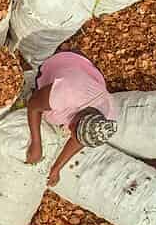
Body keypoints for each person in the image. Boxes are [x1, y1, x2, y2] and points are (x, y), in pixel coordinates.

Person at [25, 51, 119, 186]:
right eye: (73, 128)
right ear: (82, 115)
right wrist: (36, 143)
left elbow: (80, 140)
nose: (70, 129)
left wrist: (57, 168)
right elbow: (34, 105)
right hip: (64, 63)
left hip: (89, 79)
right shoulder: (68, 93)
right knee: (43, 106)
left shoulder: (106, 119)